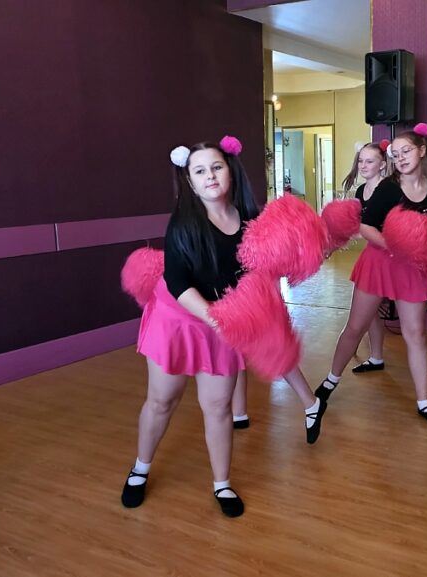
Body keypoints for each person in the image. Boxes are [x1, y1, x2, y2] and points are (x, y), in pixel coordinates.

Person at [121, 138, 326, 519]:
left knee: (217, 407)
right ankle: (140, 468)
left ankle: (222, 483)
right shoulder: (183, 223)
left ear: (230, 170)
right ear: (190, 182)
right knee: (162, 401)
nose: (210, 176)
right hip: (179, 319)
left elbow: (261, 268)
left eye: (216, 167)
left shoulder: (250, 219)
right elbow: (178, 283)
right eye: (200, 171)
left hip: (223, 320)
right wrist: (215, 317)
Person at [317, 126, 427, 426]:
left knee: (415, 333)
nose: (400, 158)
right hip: (379, 262)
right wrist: (395, 246)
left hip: (411, 268)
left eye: (406, 151)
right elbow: (365, 226)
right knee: (355, 327)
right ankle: (330, 380)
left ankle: (424, 403)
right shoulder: (389, 188)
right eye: (396, 154)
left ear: (422, 150)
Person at [341, 142, 427, 389]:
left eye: (369, 161)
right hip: (377, 259)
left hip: (403, 261)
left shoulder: (392, 188)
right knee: (371, 312)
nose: (363, 165)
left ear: (382, 164)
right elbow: (364, 226)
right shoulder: (361, 192)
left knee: (414, 323)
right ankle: (376, 356)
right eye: (360, 161)